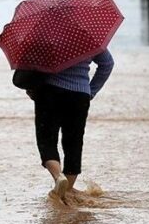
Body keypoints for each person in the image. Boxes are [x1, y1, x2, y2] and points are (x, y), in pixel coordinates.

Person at [29, 49, 114, 202]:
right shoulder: (88, 37)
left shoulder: (45, 36)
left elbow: (31, 66)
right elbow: (107, 64)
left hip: (49, 92)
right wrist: (90, 90)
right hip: (79, 96)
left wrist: (32, 88)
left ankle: (58, 177)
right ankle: (68, 191)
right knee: (73, 143)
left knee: (46, 140)